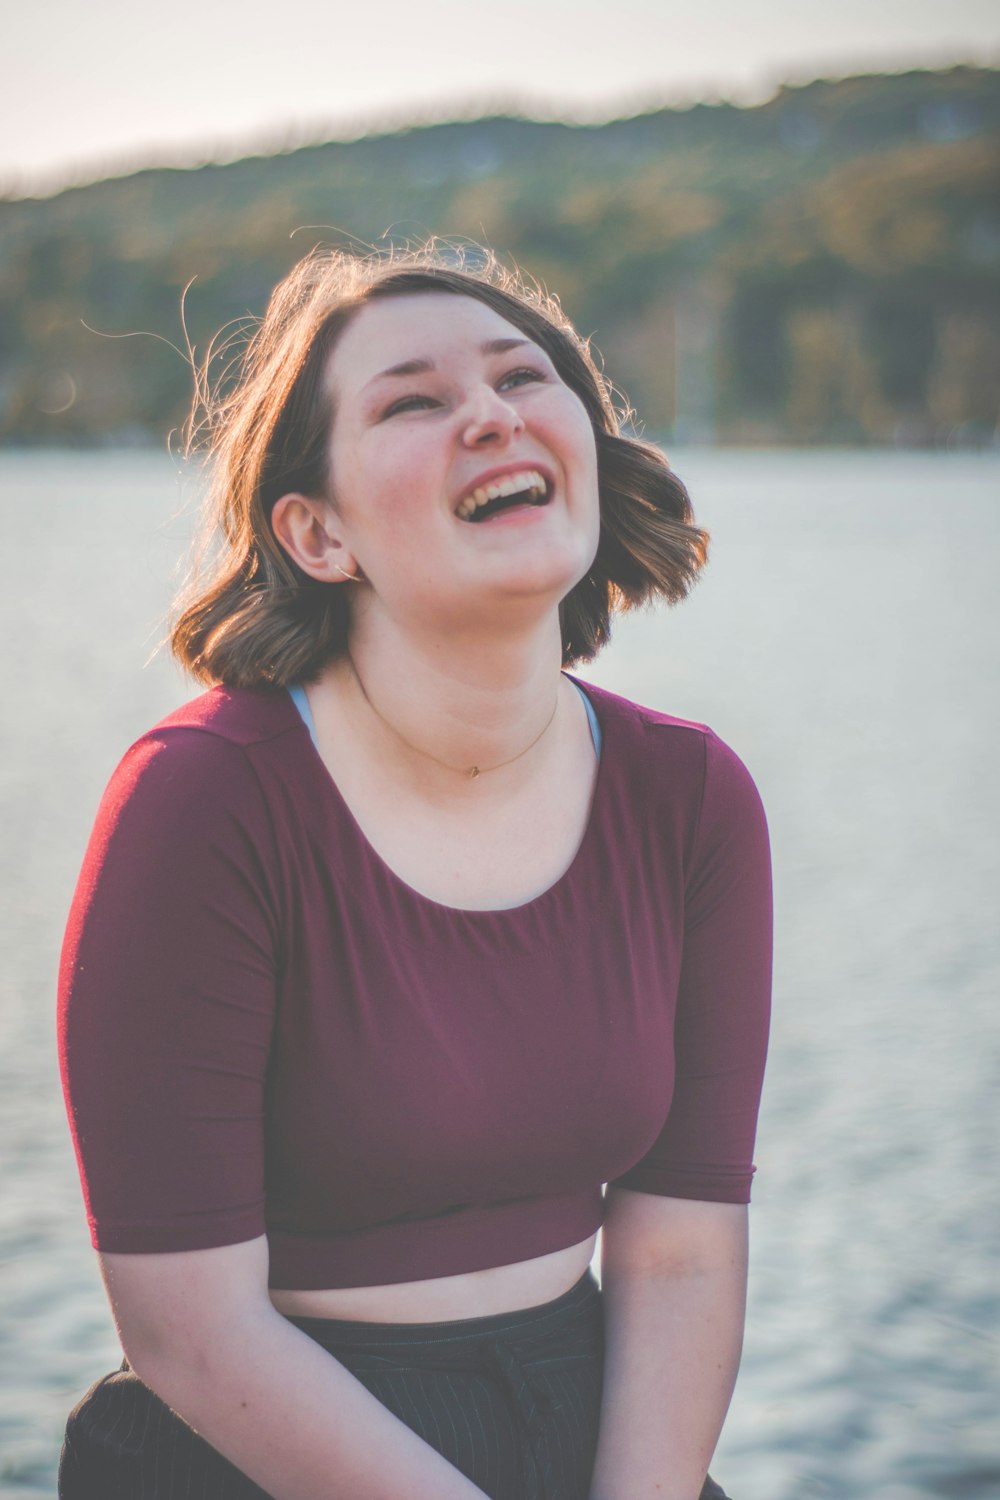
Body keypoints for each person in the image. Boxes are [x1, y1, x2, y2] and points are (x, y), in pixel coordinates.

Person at [57, 244, 772, 1500]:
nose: (490, 413)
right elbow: (188, 1330)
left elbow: (682, 1252)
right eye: (413, 401)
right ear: (317, 532)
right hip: (261, 1455)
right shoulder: (204, 802)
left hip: (600, 1435)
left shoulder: (690, 796)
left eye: (520, 377)